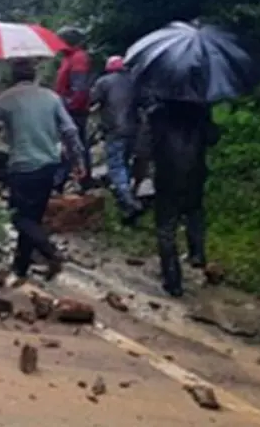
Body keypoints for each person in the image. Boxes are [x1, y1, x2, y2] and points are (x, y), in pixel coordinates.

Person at [0, 59, 87, 286]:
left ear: (12, 77)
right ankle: (21, 268)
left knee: (18, 217)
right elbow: (70, 130)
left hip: (22, 166)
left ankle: (50, 252)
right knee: (32, 217)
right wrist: (78, 161)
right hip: (49, 166)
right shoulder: (51, 97)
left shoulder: (7, 98)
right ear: (34, 76)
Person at [148, 99, 219, 297]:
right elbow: (213, 138)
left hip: (167, 175)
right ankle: (197, 253)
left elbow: (146, 145)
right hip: (195, 172)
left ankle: (173, 280)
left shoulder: (158, 112)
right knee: (195, 211)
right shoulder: (200, 109)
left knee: (166, 228)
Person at [91, 56, 145, 225]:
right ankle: (127, 203)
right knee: (126, 163)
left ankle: (128, 200)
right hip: (134, 129)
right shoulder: (134, 81)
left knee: (116, 165)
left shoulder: (103, 82)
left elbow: (92, 100)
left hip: (114, 130)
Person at [54, 27, 94, 188]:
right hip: (67, 107)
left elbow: (80, 87)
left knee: (74, 144)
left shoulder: (78, 58)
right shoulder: (68, 58)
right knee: (71, 144)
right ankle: (73, 178)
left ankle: (67, 179)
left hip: (74, 110)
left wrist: (70, 106)